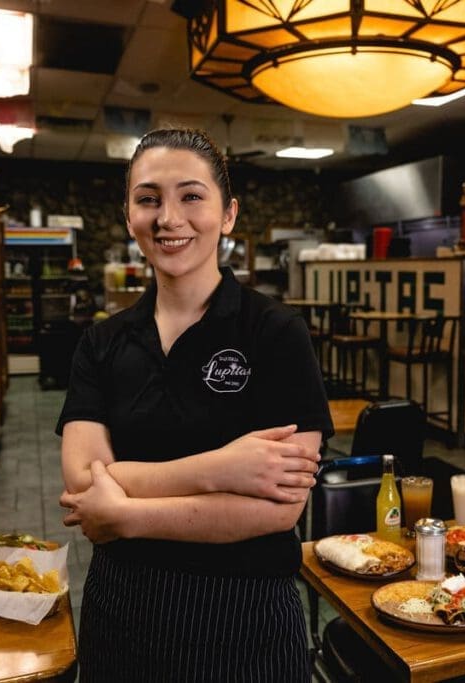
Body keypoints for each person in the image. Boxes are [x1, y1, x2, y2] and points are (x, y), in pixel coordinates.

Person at [57, 128, 333, 682]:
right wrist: (220, 469)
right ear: (129, 214)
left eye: (191, 195)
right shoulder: (102, 342)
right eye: (149, 198)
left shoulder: (275, 332)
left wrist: (125, 514)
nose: (168, 218)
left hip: (246, 616)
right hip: (123, 611)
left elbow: (280, 510)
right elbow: (85, 485)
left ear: (227, 215)